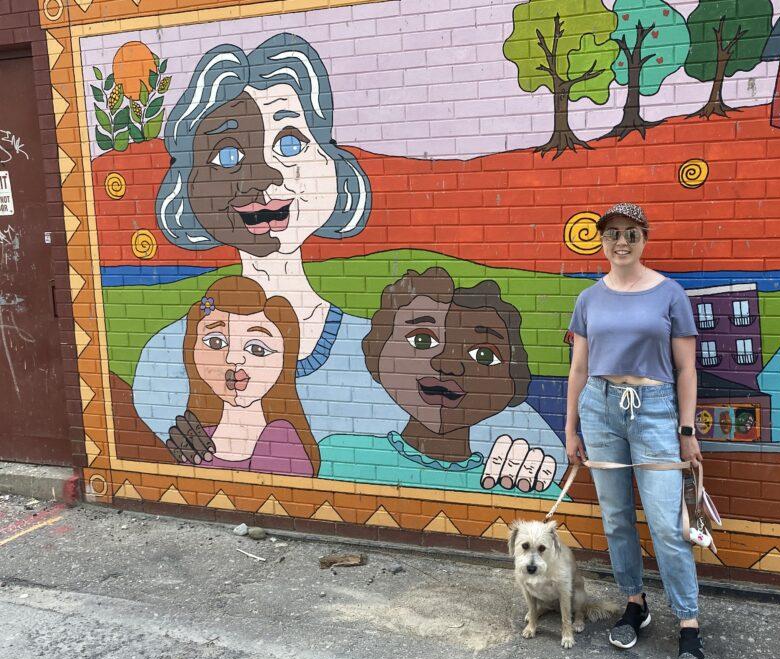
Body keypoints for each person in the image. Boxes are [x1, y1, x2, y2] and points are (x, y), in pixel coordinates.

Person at [132, 33, 563, 492]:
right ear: (188, 189)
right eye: (227, 155)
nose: (263, 175)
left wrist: (525, 453)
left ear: (334, 167)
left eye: (291, 143)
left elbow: (524, 433)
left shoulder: (387, 349)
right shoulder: (169, 352)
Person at [564, 203, 708, 659]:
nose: (621, 242)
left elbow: (686, 369)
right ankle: (635, 602)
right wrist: (571, 428)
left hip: (655, 410)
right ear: (602, 241)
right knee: (616, 518)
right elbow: (579, 368)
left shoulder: (670, 294)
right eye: (612, 234)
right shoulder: (589, 298)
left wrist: (686, 430)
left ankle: (688, 623)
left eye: (630, 234)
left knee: (667, 525)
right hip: (600, 409)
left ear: (644, 238)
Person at [318, 268, 561, 496]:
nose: (448, 365)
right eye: (422, 340)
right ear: (377, 350)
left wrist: (537, 487)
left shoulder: (514, 481)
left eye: (484, 355)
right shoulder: (335, 456)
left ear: (513, 381)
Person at [167, 276, 318, 476]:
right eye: (215, 343)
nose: (233, 358)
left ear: (284, 359)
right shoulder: (197, 438)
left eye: (257, 349)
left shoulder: (279, 439)